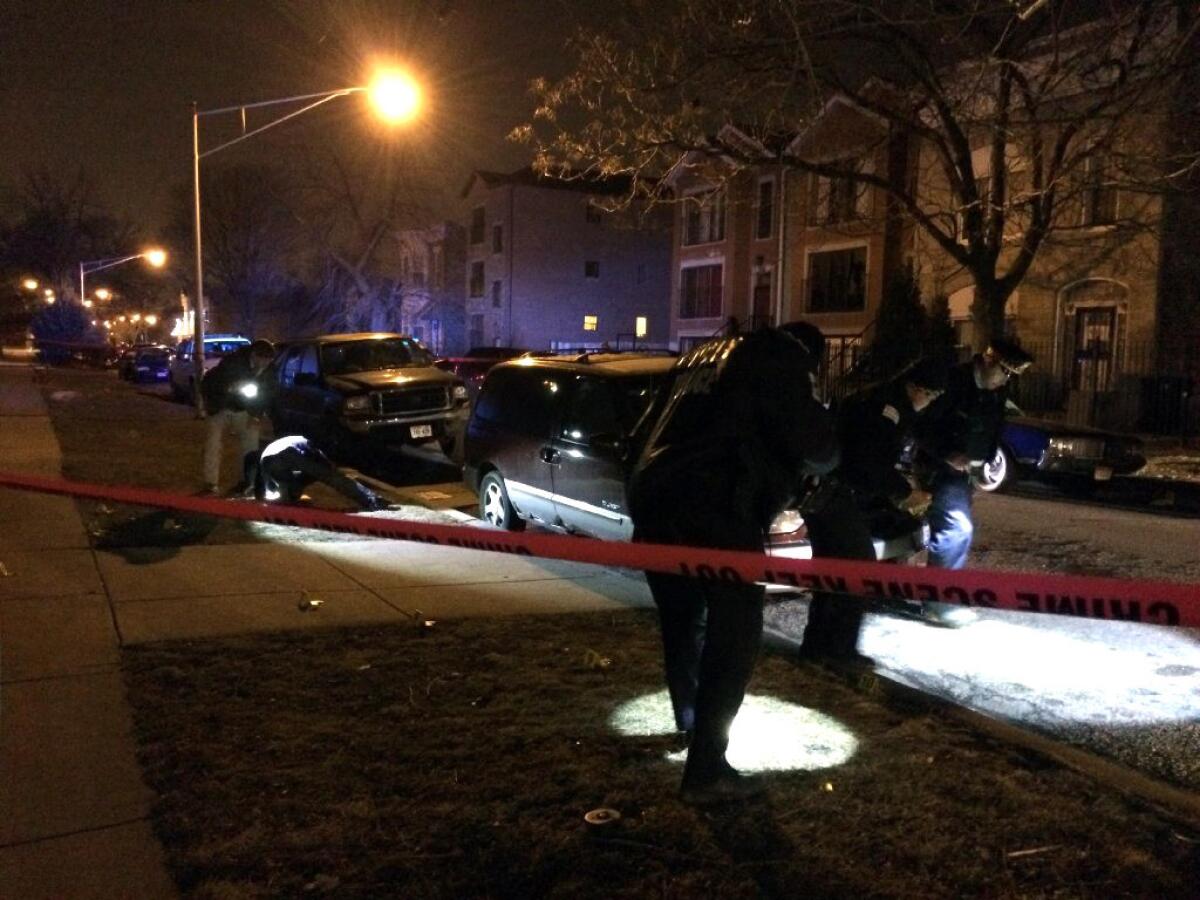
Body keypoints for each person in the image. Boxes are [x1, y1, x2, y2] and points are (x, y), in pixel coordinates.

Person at [628, 321, 838, 804]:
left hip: (658, 501)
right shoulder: (780, 367)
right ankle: (707, 769)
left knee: (682, 622)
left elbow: (645, 431)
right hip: (717, 508)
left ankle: (690, 720)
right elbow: (818, 449)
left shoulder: (706, 361)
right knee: (736, 632)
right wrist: (824, 421)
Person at [800, 356, 948, 659]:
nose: (929, 402)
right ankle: (838, 651)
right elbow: (869, 462)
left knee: (833, 574)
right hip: (836, 495)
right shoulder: (886, 409)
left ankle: (819, 649)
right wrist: (904, 493)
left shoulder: (885, 401)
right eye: (929, 395)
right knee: (855, 569)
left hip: (827, 494)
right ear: (914, 386)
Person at [914, 338, 1033, 617]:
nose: (1006, 382)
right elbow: (920, 426)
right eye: (1005, 373)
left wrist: (985, 465)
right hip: (939, 469)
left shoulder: (995, 390)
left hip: (967, 473)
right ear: (989, 362)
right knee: (956, 529)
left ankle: (939, 595)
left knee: (952, 531)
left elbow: (992, 428)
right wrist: (947, 454)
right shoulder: (953, 382)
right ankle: (939, 604)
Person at [200, 339, 275, 496]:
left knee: (251, 443)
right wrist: (230, 388)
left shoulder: (269, 370)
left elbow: (267, 394)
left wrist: (256, 415)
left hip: (244, 408)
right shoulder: (233, 362)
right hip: (221, 406)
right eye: (262, 360)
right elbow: (215, 383)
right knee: (213, 443)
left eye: (268, 361)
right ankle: (210, 483)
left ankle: (247, 482)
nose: (264, 365)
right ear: (254, 356)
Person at [254, 435, 390, 511]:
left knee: (304, 479)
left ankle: (289, 497)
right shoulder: (304, 441)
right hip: (286, 453)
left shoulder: (292, 442)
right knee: (328, 475)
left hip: (268, 461)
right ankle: (372, 500)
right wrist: (330, 468)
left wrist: (262, 495)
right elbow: (319, 458)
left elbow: (263, 480)